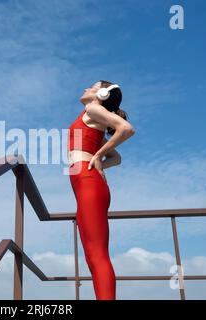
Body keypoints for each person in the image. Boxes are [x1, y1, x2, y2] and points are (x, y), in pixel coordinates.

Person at [67, 80, 135, 300]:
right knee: (92, 256)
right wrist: (97, 159)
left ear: (103, 93)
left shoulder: (92, 108)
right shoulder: (93, 119)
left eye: (92, 86)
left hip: (89, 185)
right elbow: (116, 158)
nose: (86, 89)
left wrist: (96, 156)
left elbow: (126, 128)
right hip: (87, 184)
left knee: (97, 256)